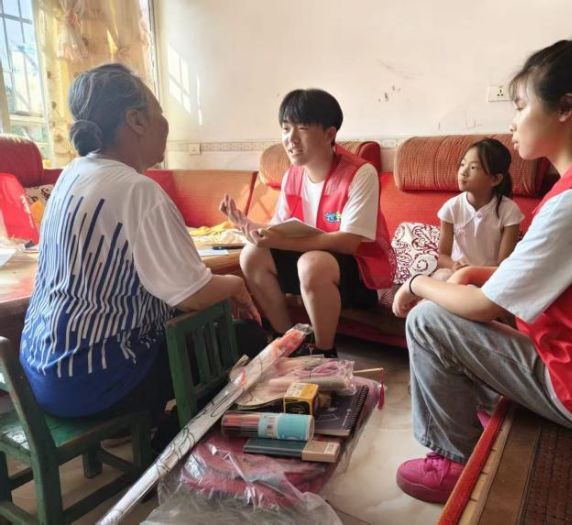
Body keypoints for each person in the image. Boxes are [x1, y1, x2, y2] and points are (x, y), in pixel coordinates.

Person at [392, 38, 572, 503]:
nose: (513, 121)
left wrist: (416, 282)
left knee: (429, 320)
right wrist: (475, 273)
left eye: (521, 105)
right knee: (459, 296)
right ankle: (486, 413)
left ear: (565, 108)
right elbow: (537, 277)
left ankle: (453, 461)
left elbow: (483, 308)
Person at [20, 64, 258, 432]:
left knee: (183, 327)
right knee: (247, 337)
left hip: (41, 370)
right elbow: (195, 294)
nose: (165, 123)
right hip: (93, 379)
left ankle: (151, 423)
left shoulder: (72, 174)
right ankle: (177, 442)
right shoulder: (137, 190)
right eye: (159, 111)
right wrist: (238, 285)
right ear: (136, 120)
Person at [220, 88, 394, 357]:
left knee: (312, 262)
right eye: (285, 129)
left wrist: (281, 240)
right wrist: (250, 227)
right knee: (252, 255)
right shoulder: (292, 175)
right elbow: (280, 227)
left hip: (360, 277)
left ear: (329, 134)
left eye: (301, 129)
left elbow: (348, 243)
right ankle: (289, 341)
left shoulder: (360, 173)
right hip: (309, 264)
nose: (290, 139)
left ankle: (324, 352)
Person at [432, 138, 523, 281]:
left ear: (495, 179)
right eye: (463, 164)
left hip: (490, 276)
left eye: (473, 167)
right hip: (456, 275)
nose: (463, 172)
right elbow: (442, 256)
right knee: (442, 276)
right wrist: (454, 266)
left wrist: (474, 274)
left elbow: (503, 264)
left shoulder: (509, 211)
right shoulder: (451, 207)